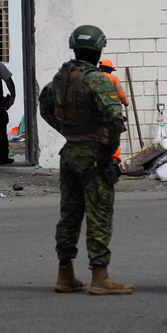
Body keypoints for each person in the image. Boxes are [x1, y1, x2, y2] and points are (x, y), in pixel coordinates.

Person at [39, 25, 131, 295]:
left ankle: (65, 275)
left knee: (69, 214)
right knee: (99, 214)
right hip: (94, 154)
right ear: (99, 49)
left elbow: (44, 106)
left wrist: (67, 130)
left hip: (69, 153)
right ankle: (100, 277)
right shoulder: (97, 79)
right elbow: (115, 117)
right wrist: (109, 147)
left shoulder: (60, 78)